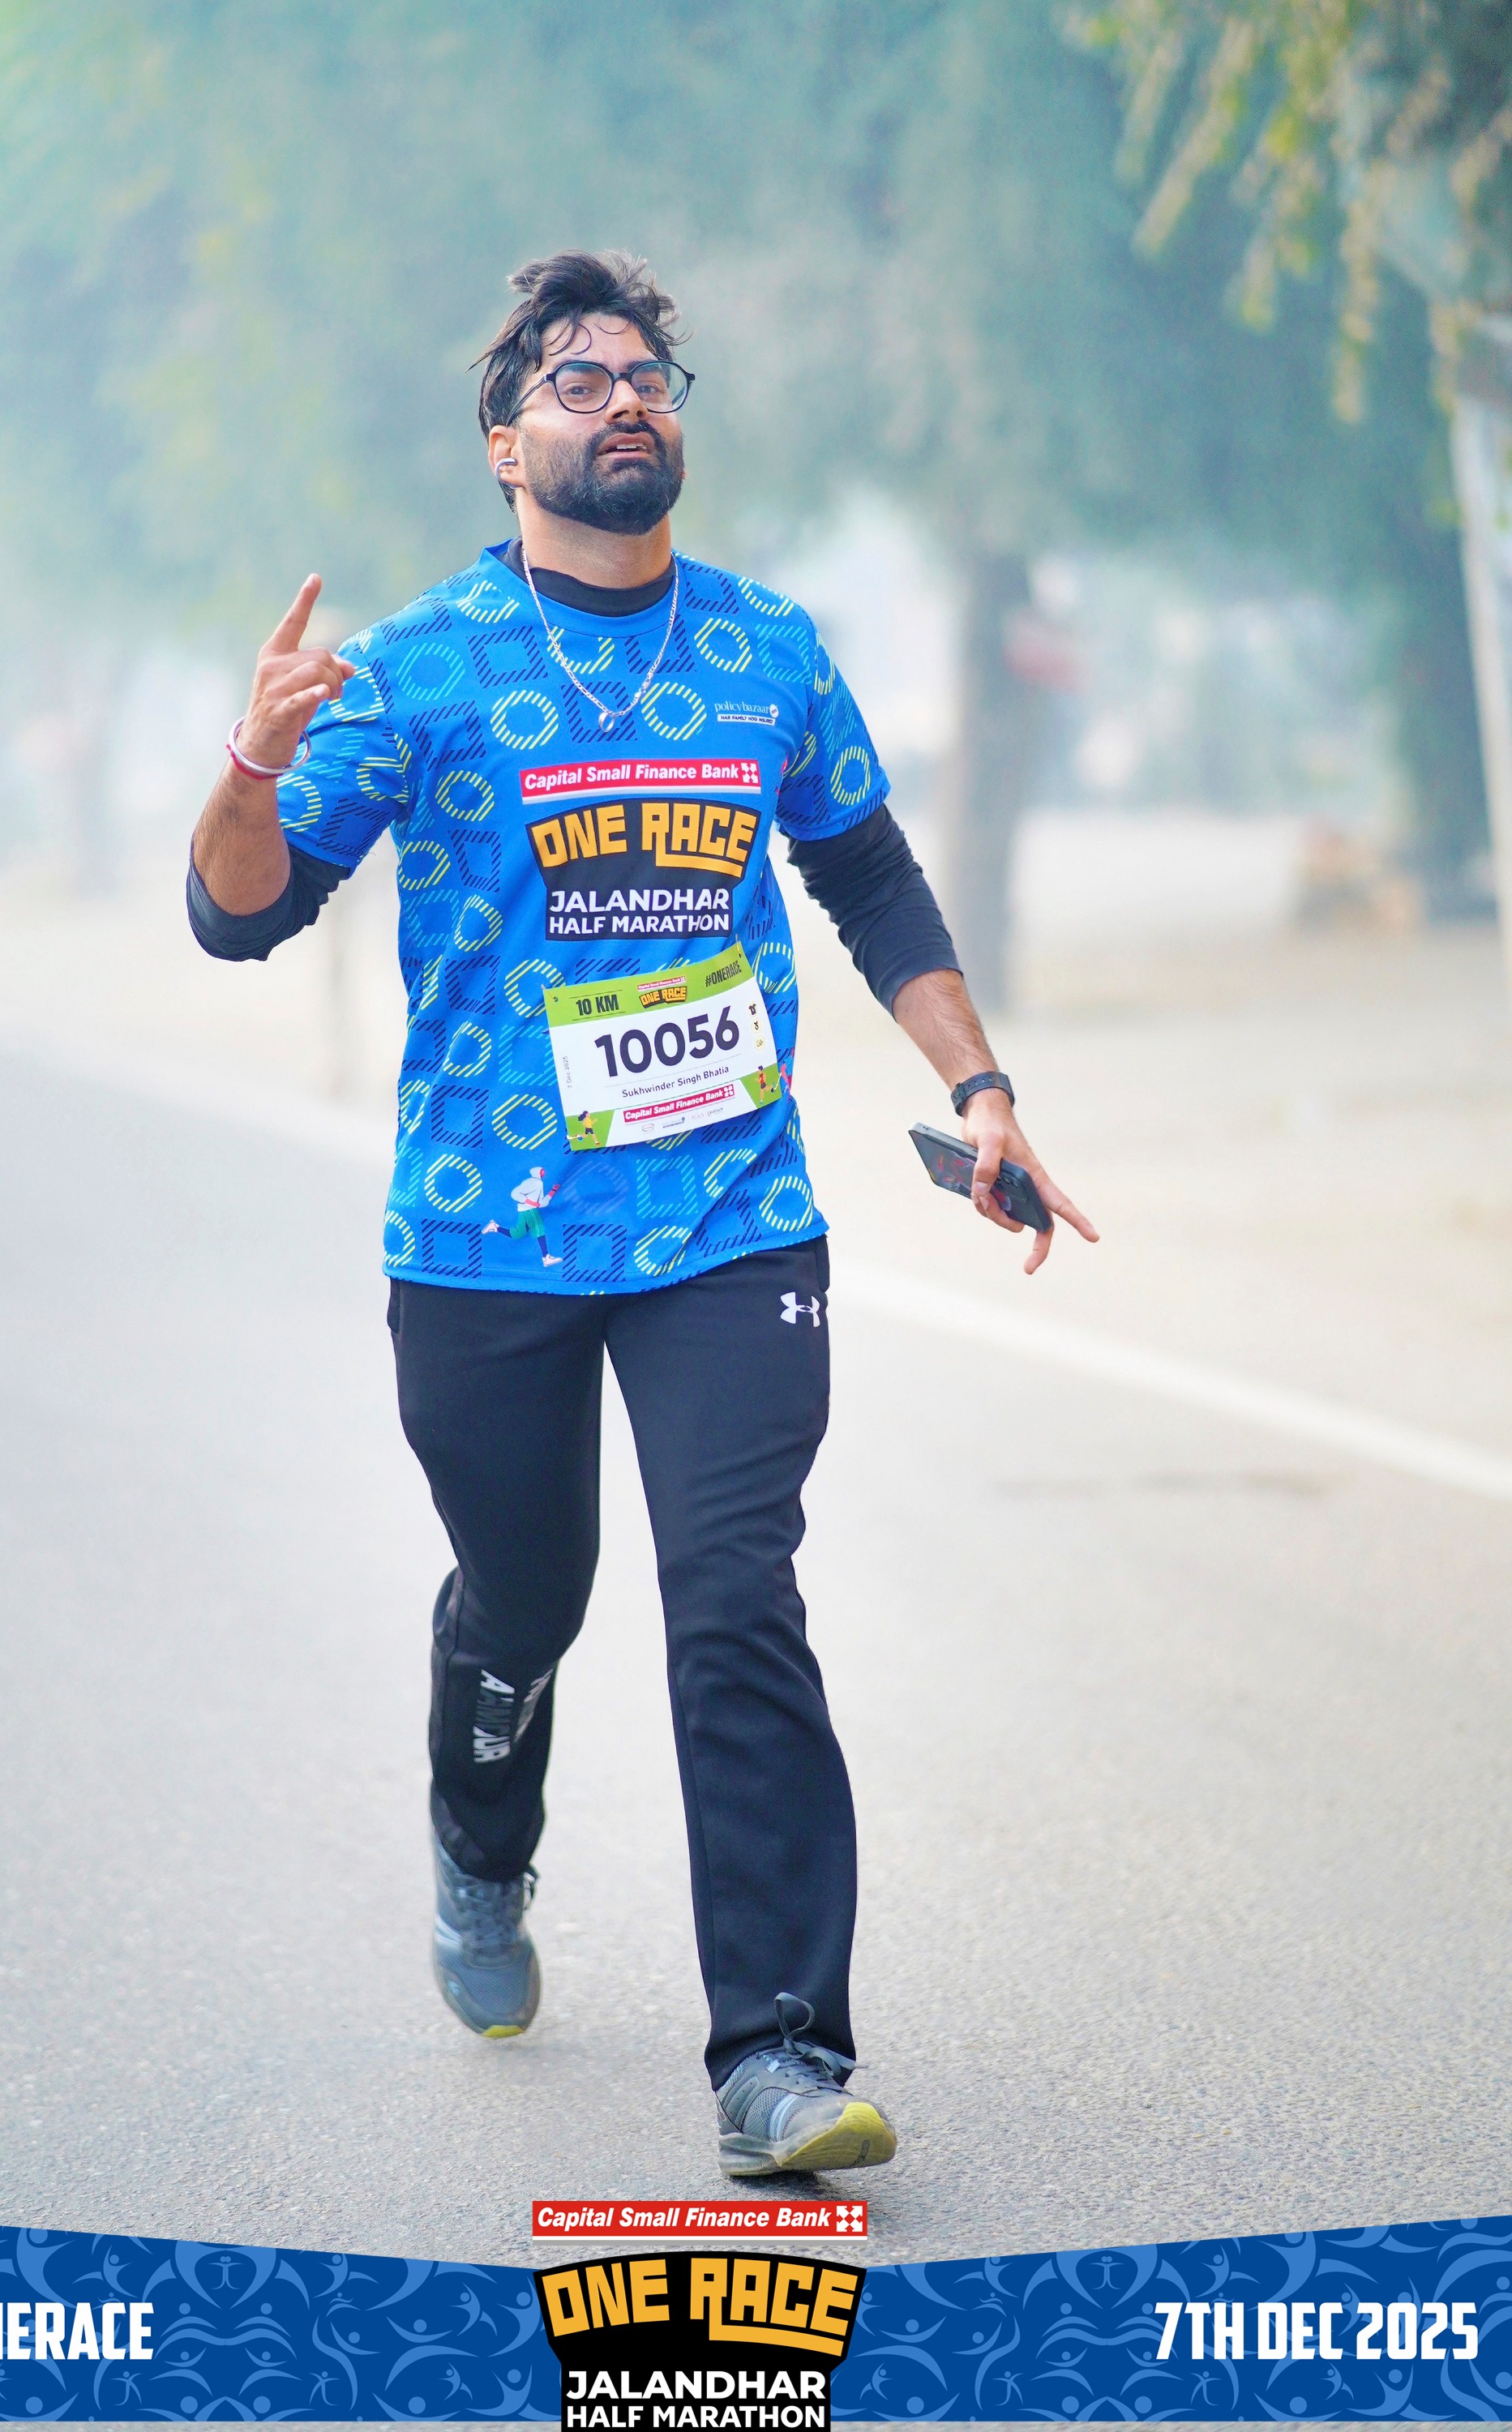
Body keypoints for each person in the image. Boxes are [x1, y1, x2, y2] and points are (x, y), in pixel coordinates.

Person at [187, 250, 1096, 2178]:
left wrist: (981, 1089)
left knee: (737, 1600)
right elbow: (238, 911)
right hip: (483, 1237)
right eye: (578, 380)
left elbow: (870, 877)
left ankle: (777, 2055)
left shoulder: (766, 646)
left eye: (649, 376)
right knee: (527, 1599)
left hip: (729, 1221)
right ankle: (479, 1839)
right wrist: (254, 759)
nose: (624, 400)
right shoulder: (421, 665)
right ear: (501, 440)